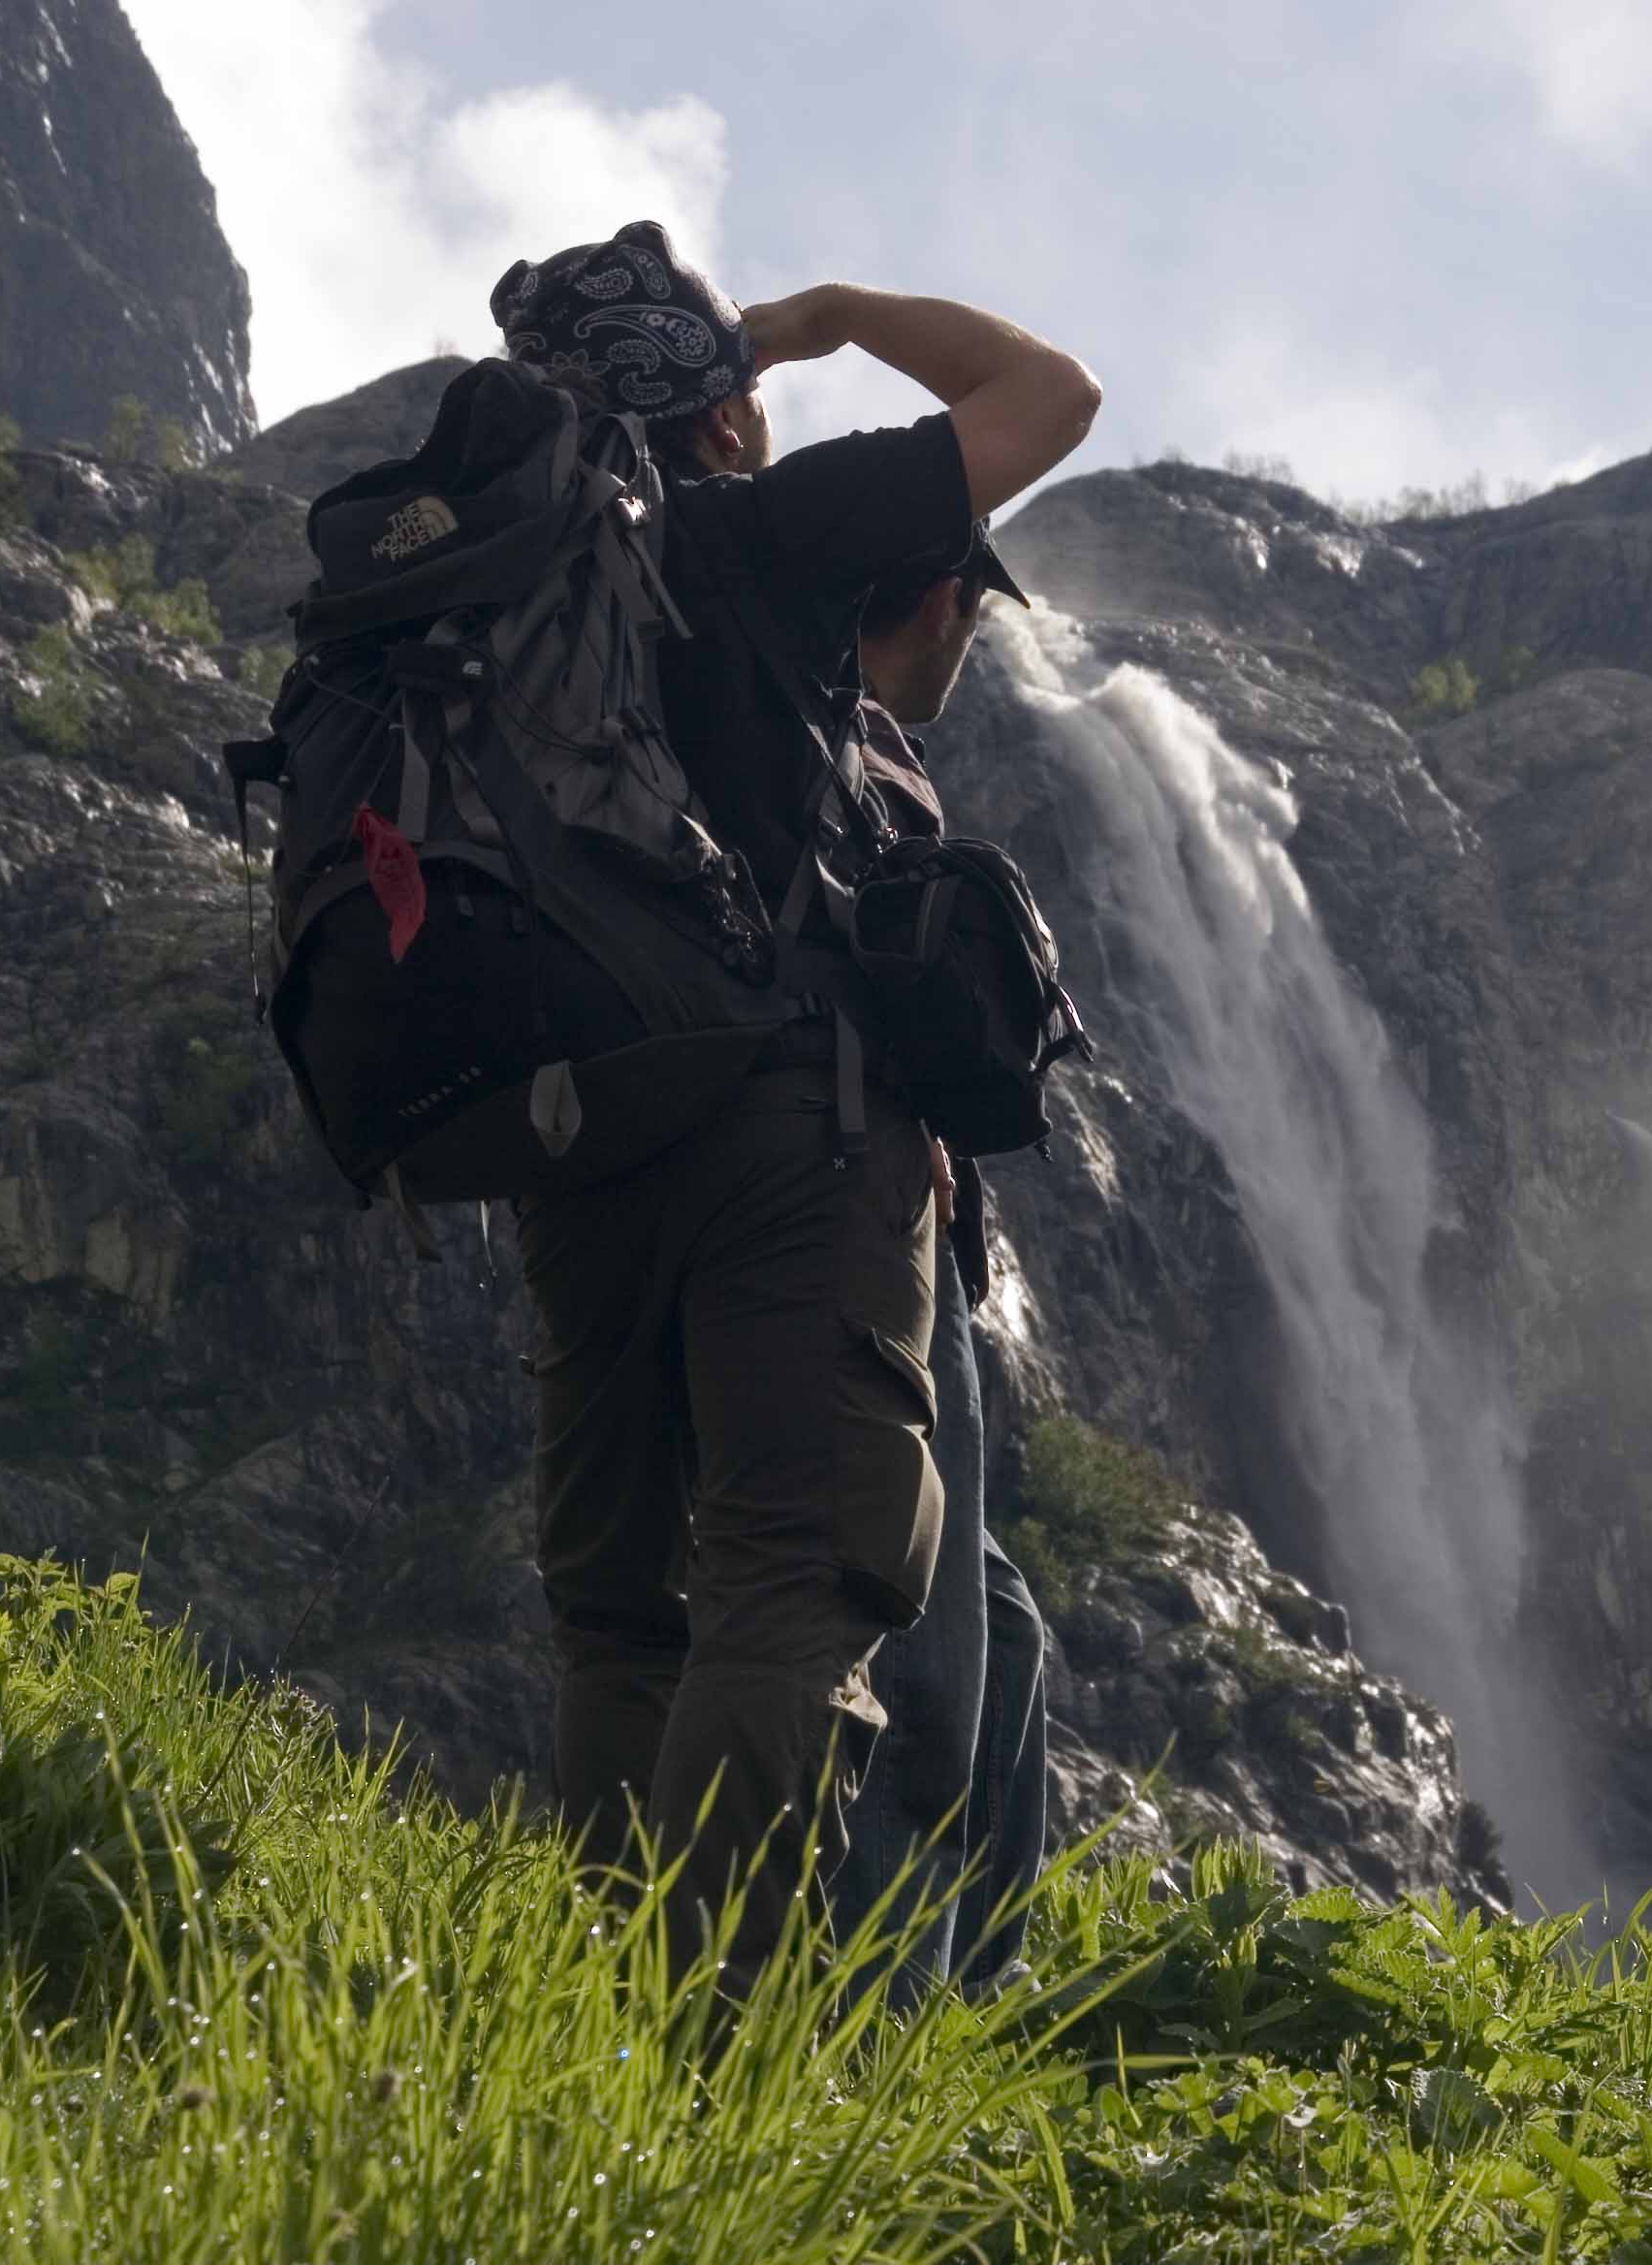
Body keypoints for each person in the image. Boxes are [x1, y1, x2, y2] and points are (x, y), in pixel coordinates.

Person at [486, 221, 1096, 1986]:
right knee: (790, 1582)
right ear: (717, 409)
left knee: (617, 1614)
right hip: (783, 1135)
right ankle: (719, 2037)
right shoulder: (744, 536)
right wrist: (819, 317)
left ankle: (593, 2029)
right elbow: (1049, 393)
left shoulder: (512, 593)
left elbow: (804, 761)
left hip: (576, 1147)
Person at [824, 532, 1057, 1994]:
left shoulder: (851, 744)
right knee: (924, 1679)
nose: (969, 630)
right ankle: (887, 2042)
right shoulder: (818, 735)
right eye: (967, 603)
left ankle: (972, 2008)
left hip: (907, 1251)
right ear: (939, 601)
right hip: (863, 1241)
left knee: (1007, 1636)